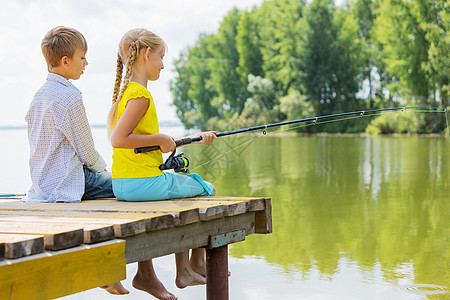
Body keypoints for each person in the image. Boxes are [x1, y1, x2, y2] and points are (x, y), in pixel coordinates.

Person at [107, 28, 217, 299]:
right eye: (161, 56)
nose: (163, 64)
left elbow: (141, 141)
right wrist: (159, 138)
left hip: (122, 184)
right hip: (143, 184)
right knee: (207, 188)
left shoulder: (126, 95)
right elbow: (119, 139)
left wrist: (194, 140)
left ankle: (181, 270)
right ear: (146, 54)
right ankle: (194, 265)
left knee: (184, 189)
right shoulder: (141, 96)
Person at [25, 26, 129, 295]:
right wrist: (103, 168)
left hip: (41, 186)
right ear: (65, 61)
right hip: (69, 183)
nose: (86, 63)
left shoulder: (37, 97)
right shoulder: (70, 97)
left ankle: (108, 273)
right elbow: (86, 151)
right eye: (82, 57)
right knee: (130, 183)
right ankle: (108, 271)